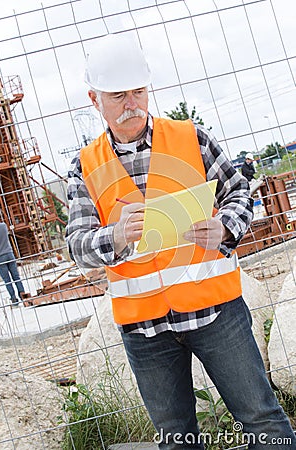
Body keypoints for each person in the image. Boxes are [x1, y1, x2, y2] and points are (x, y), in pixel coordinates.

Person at [66, 34, 296, 449]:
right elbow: (78, 245)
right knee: (176, 440)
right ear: (94, 99)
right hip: (144, 330)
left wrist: (224, 227)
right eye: (117, 96)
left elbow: (240, 192)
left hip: (216, 313)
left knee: (264, 422)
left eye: (138, 91)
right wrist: (114, 236)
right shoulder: (84, 167)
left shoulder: (193, 138)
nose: (131, 103)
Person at [0, 220, 25, 306]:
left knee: (7, 281)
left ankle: (14, 299)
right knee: (16, 277)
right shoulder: (3, 226)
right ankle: (23, 295)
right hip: (9, 254)